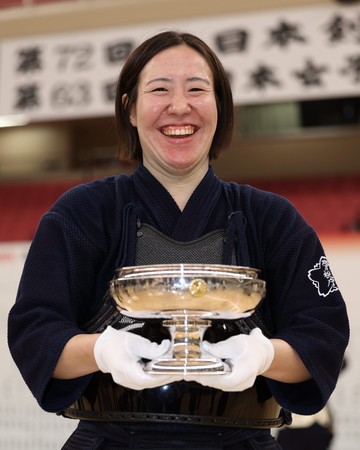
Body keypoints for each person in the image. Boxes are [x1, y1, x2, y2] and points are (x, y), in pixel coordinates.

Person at [8, 31, 349, 450]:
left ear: (220, 107)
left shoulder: (273, 219)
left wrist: (264, 356)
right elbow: (35, 331)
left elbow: (323, 337)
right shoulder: (82, 212)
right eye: (160, 90)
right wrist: (101, 351)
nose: (180, 106)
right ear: (129, 108)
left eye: (197, 89)